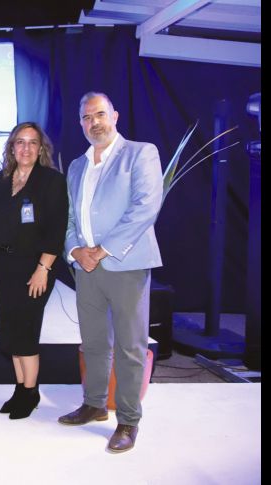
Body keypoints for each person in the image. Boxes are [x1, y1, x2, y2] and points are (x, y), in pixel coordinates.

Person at [58, 92, 163, 453]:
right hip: (86, 268)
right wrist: (75, 251)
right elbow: (69, 217)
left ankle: (129, 420)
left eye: (100, 114)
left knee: (130, 346)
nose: (94, 122)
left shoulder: (140, 153)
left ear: (114, 115)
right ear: (81, 123)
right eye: (87, 117)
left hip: (125, 264)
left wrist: (102, 250)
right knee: (93, 342)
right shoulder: (76, 166)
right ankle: (94, 403)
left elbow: (146, 207)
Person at [0, 121, 68, 420]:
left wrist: (43, 268)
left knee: (26, 329)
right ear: (12, 147)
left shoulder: (51, 181)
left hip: (35, 266)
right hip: (5, 266)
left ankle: (30, 391)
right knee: (9, 330)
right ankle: (20, 388)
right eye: (19, 142)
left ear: (41, 148)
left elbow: (56, 229)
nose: (25, 148)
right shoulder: (0, 179)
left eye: (32, 142)